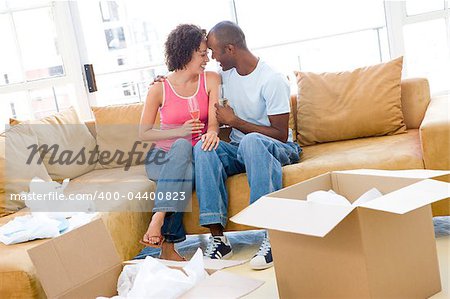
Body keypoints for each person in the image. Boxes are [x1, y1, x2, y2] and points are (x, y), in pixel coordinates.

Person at [193, 21, 302, 269]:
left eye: (214, 51)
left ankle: (272, 236)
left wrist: (235, 121)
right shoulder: (225, 76)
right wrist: (163, 82)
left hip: (278, 147)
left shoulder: (271, 79)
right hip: (241, 149)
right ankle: (219, 240)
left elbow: (279, 133)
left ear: (230, 49)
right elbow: (190, 81)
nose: (211, 58)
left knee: (252, 141)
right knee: (203, 147)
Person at [139, 24, 220, 261]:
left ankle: (160, 227)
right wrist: (180, 130)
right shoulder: (159, 88)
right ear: (185, 53)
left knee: (186, 163)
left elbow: (213, 124)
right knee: (182, 146)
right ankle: (162, 226)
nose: (207, 58)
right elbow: (144, 133)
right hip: (160, 159)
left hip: (191, 159)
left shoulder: (211, 79)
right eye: (202, 53)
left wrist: (213, 132)